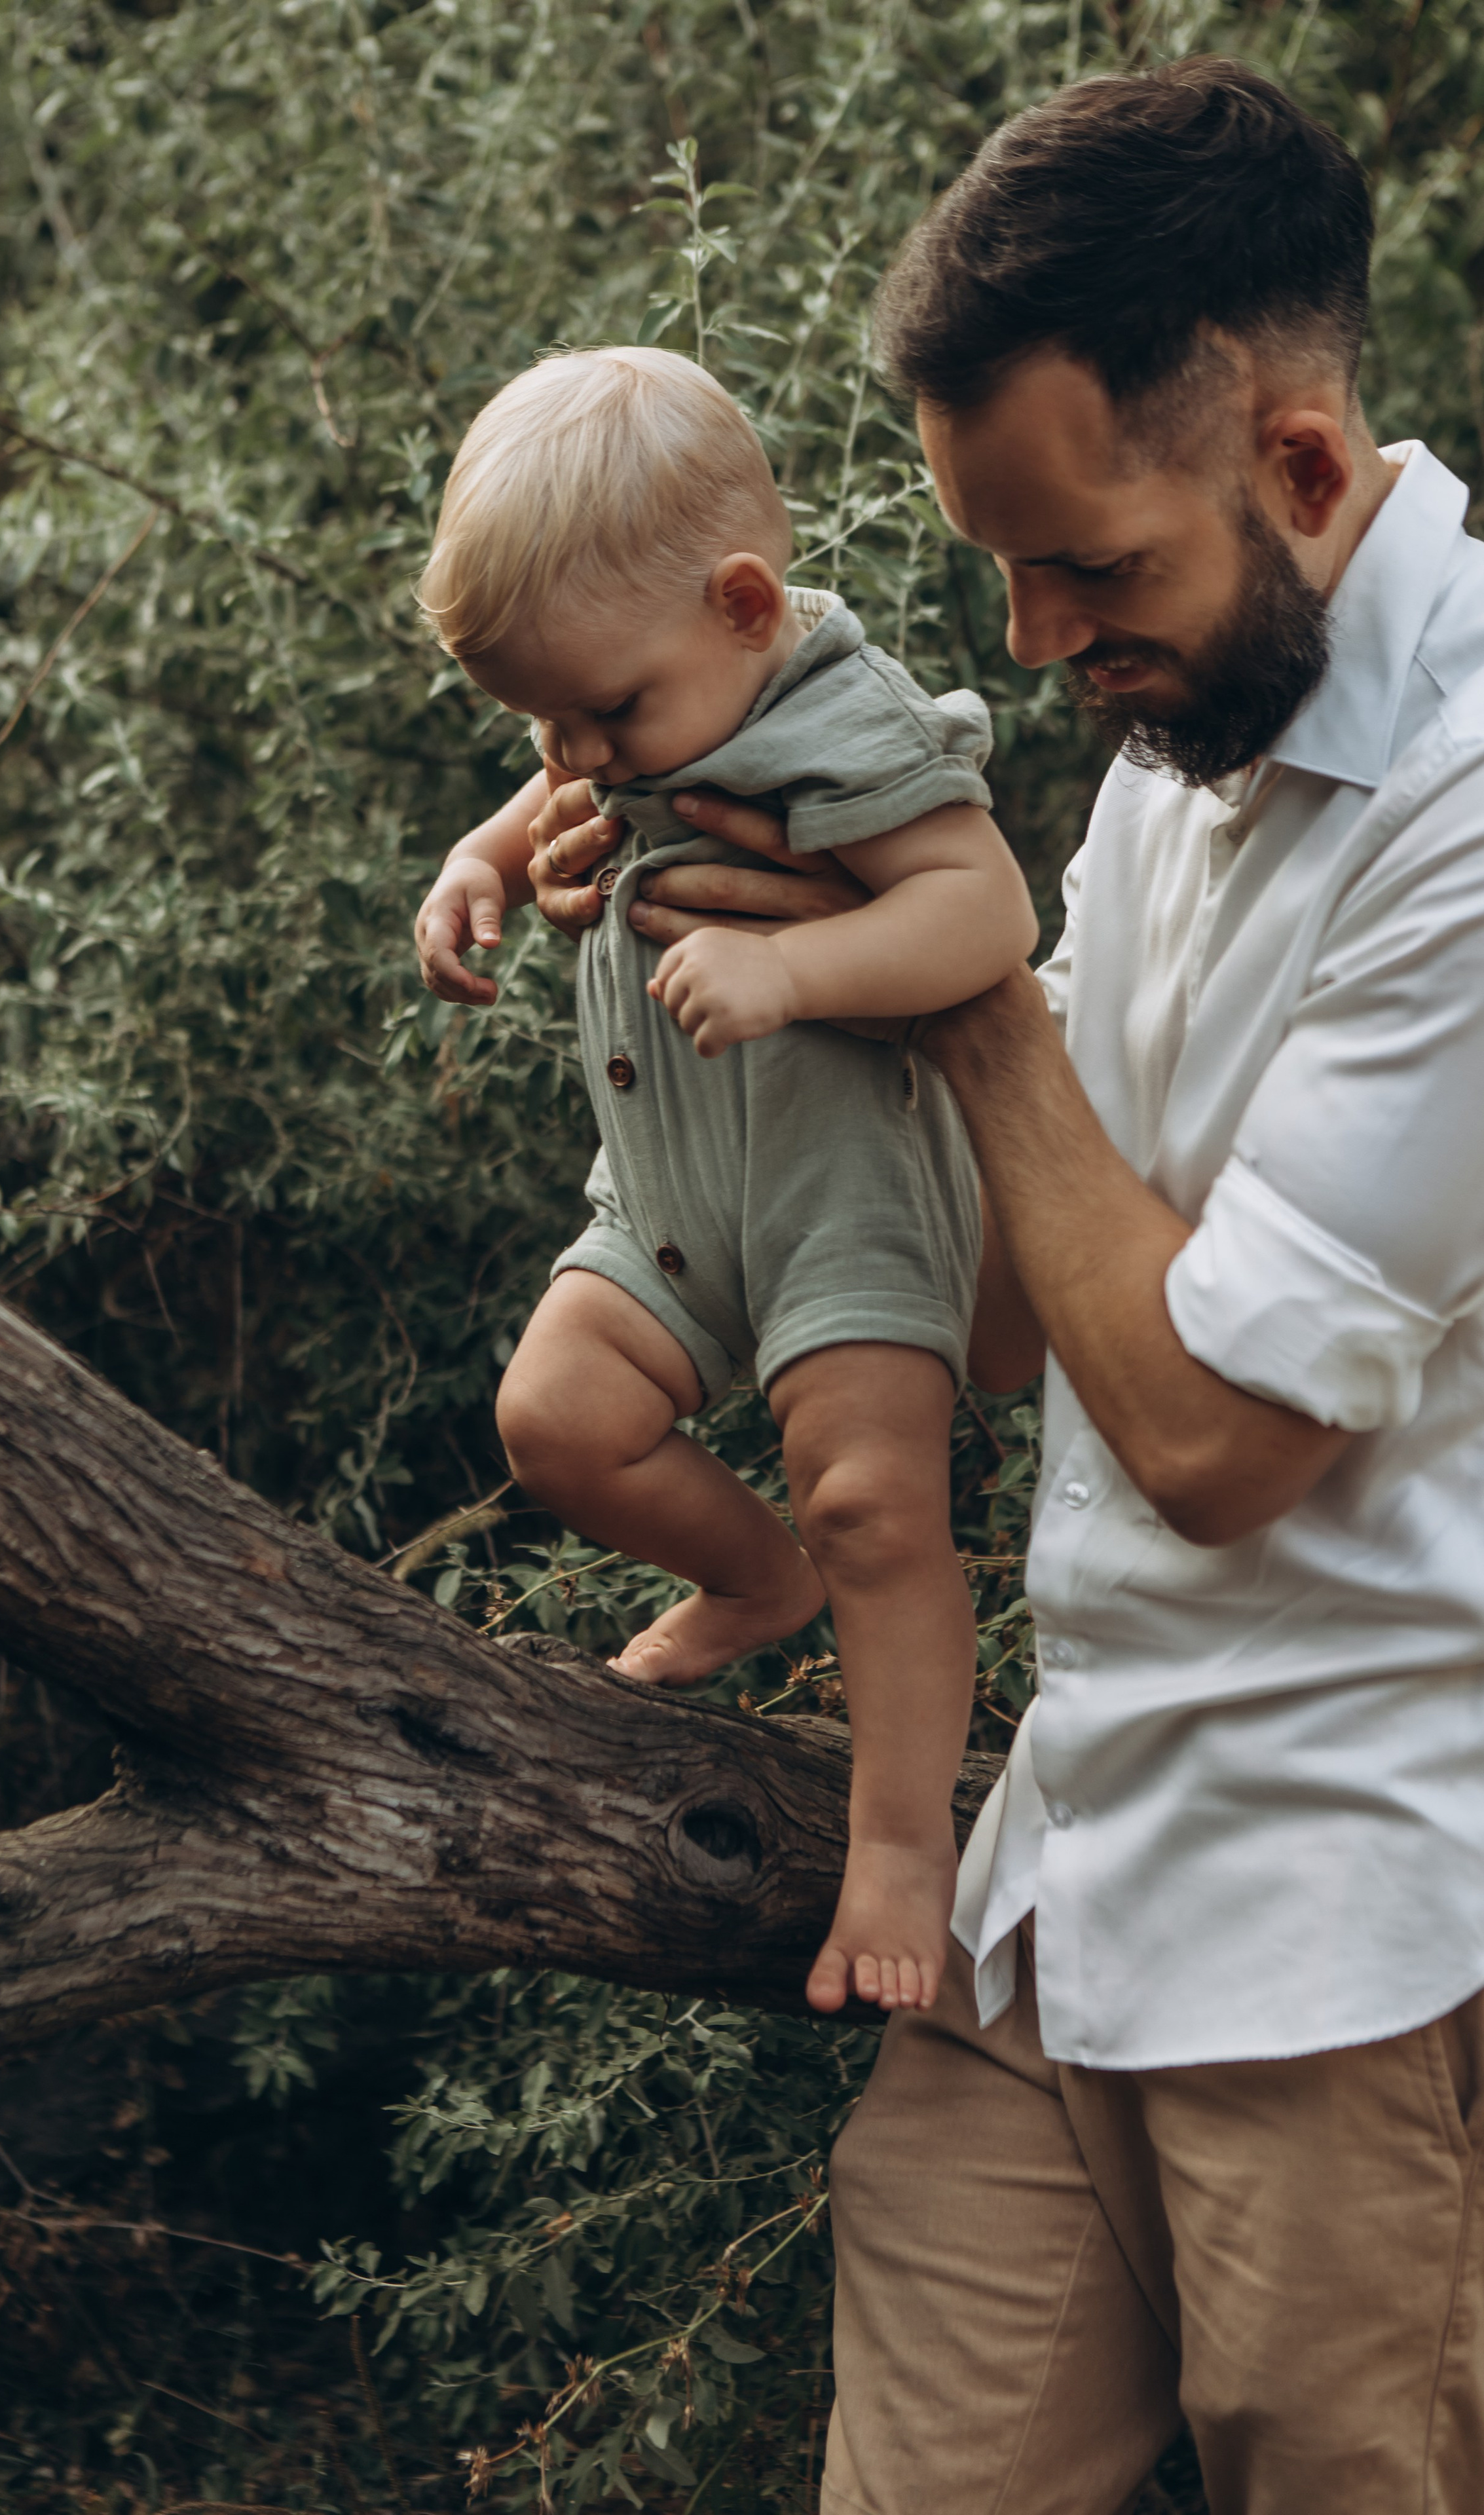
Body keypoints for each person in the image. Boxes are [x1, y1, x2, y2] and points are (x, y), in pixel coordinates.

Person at [521, 55, 1484, 2515]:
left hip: (1353, 1935)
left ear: (1289, 464)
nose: (1041, 641)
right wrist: (735, 1087)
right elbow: (1034, 1314)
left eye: (1091, 570)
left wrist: (958, 1002)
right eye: (1006, 574)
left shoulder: (1467, 814)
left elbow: (1217, 1441)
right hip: (1062, 1880)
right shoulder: (1190, 723)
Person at [413, 346, 1037, 2016]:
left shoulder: (840, 717)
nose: (577, 752)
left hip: (849, 1209)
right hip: (671, 1210)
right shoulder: (643, 697)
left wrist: (802, 971)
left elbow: (986, 913)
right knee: (552, 1419)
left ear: (747, 606)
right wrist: (477, 868)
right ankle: (758, 1578)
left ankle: (900, 1849)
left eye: (603, 711)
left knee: (876, 1507)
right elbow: (553, 781)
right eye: (542, 720)